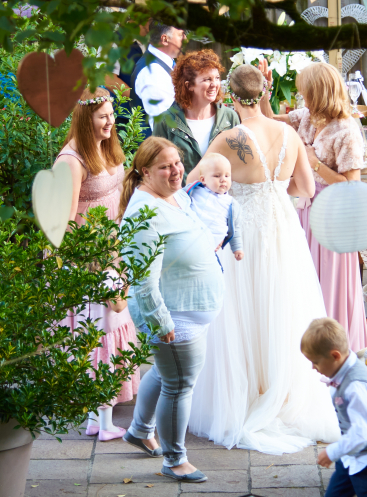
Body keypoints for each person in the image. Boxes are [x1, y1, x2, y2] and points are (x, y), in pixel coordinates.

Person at [186, 63, 341, 454]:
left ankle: (247, 395)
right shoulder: (288, 132)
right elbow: (305, 187)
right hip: (283, 229)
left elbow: (192, 181)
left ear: (229, 95)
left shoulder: (228, 138)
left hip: (242, 234)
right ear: (263, 91)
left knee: (240, 312)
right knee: (281, 307)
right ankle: (283, 395)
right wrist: (275, 185)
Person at [119, 137, 224, 483]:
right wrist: (159, 319)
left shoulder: (174, 195)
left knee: (166, 374)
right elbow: (142, 278)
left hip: (189, 307)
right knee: (179, 384)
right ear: (145, 171)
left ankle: (139, 430)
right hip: (173, 315)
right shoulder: (145, 213)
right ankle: (174, 459)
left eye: (177, 162)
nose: (176, 170)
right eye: (165, 166)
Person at [54, 88, 139, 442]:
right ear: (84, 119)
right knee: (98, 333)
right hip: (88, 259)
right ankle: (103, 423)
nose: (110, 121)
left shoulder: (106, 147)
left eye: (111, 114)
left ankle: (95, 418)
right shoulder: (71, 161)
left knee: (110, 327)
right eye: (103, 116)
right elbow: (64, 220)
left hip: (112, 250)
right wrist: (91, 260)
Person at [270, 62, 367, 352]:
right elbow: (267, 120)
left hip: (331, 216)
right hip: (304, 209)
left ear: (319, 92)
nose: (301, 97)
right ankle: (309, 349)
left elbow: (352, 185)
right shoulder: (307, 118)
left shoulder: (347, 130)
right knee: (304, 279)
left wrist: (314, 163)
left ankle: (334, 349)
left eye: (305, 92)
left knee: (329, 284)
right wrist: (263, 89)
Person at [302, 318, 367, 497]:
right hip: (351, 454)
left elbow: (364, 430)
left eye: (315, 362)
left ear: (335, 356)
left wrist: (333, 451)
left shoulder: (356, 386)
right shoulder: (343, 371)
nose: (313, 367)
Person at [153, 49, 239, 184]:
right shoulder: (166, 121)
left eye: (217, 78)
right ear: (189, 85)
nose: (215, 84)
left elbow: (237, 163)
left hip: (220, 200)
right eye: (207, 79)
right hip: (182, 199)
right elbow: (157, 165)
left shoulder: (230, 118)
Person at [130, 23, 187, 137]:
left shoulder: (166, 63)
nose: (185, 39)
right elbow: (164, 124)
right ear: (165, 39)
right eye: (181, 34)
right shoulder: (152, 72)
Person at [185, 153, 244, 261]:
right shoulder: (194, 191)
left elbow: (236, 228)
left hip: (212, 246)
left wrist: (237, 248)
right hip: (190, 242)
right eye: (217, 176)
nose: (223, 179)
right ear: (203, 179)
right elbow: (177, 200)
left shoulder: (231, 204)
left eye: (227, 176)